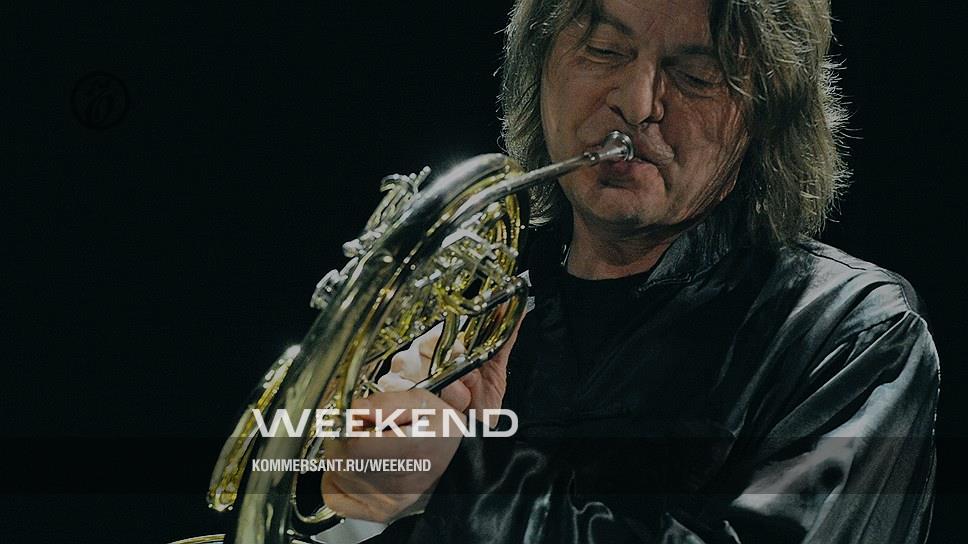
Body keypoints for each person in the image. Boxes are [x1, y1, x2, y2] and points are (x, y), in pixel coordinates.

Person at [320, 0, 940, 542]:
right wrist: (355, 497)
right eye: (603, 49)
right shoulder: (465, 300)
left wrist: (465, 478)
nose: (637, 104)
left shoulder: (852, 332)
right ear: (539, 65)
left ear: (766, 116)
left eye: (696, 76)